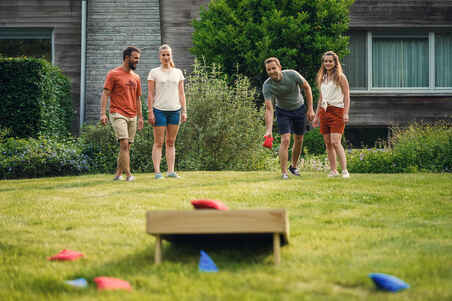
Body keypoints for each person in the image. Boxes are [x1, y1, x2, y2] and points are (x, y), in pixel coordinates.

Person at [263, 57, 315, 179]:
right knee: (285, 140)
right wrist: (268, 130)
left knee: (299, 139)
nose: (271, 71)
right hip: (283, 111)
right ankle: (284, 173)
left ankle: (294, 166)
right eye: (268, 70)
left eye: (273, 68)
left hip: (299, 108)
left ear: (279, 67)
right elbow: (269, 109)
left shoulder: (292, 74)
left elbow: (307, 87)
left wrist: (310, 108)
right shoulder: (267, 85)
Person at [100, 46, 144, 182]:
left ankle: (118, 173)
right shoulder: (113, 74)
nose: (137, 61)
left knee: (126, 147)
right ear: (127, 58)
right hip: (117, 113)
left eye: (138, 58)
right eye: (135, 58)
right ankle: (129, 174)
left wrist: (141, 117)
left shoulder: (136, 77)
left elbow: (138, 99)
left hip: (133, 115)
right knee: (124, 144)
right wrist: (103, 113)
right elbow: (106, 93)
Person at [147, 44, 187, 179]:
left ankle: (171, 171)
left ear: (171, 56)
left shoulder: (178, 73)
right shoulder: (154, 72)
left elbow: (182, 94)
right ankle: (157, 172)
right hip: (159, 111)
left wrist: (184, 111)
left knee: (171, 142)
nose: (166, 57)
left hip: (175, 111)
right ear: (160, 56)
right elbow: (150, 94)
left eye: (168, 54)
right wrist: (150, 111)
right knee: (158, 142)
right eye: (163, 55)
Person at [312, 51, 350, 178]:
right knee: (328, 142)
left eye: (330, 61)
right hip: (324, 112)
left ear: (335, 63)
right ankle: (333, 170)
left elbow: (347, 96)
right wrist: (317, 116)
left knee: (335, 141)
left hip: (337, 111)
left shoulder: (341, 77)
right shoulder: (322, 78)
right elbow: (321, 98)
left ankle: (344, 170)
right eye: (325, 61)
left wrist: (346, 113)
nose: (327, 63)